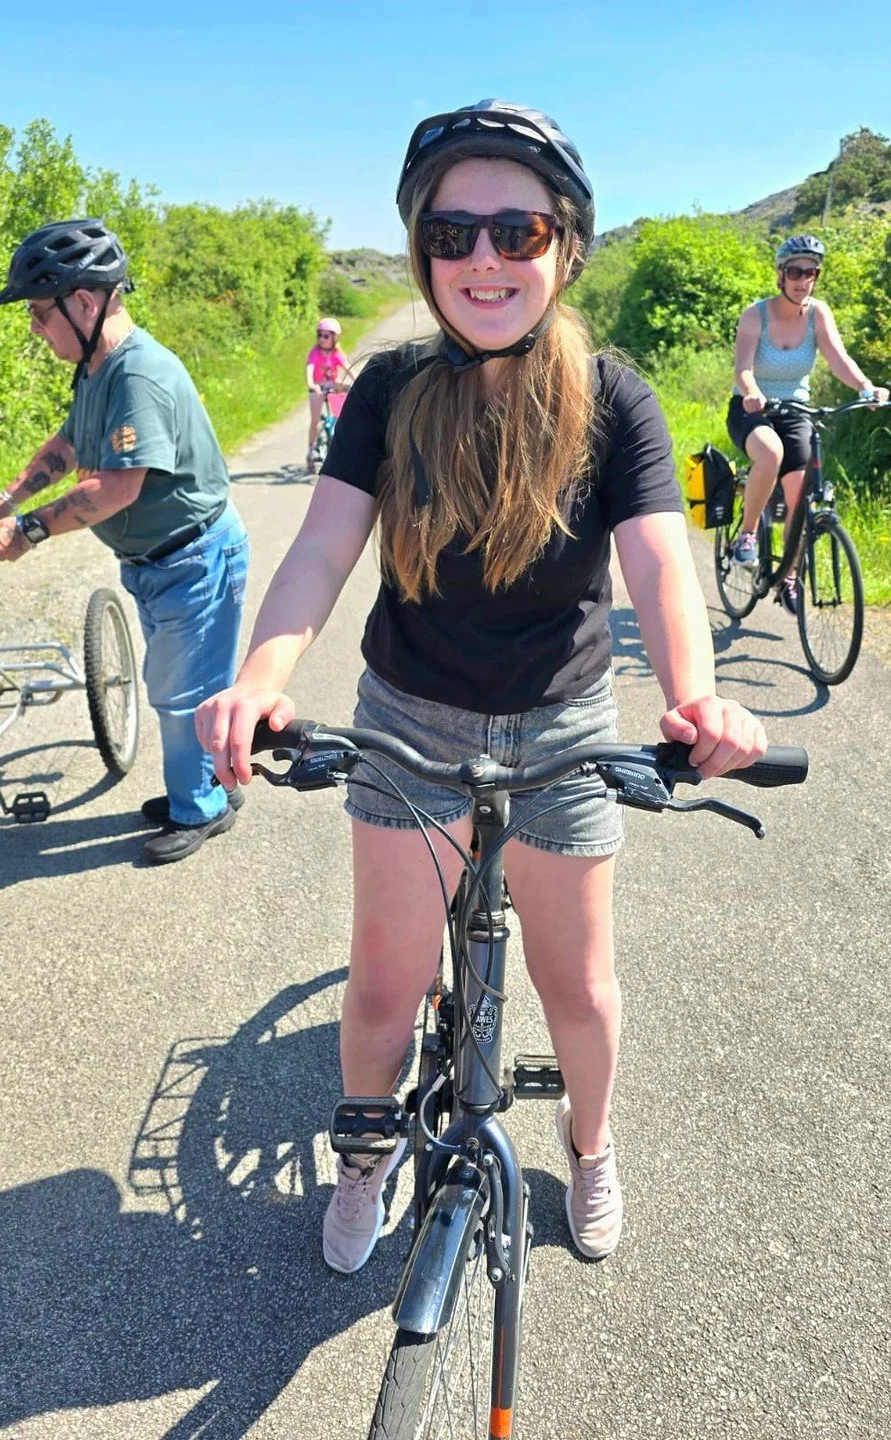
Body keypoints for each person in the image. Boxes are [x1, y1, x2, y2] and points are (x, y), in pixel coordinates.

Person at [196, 100, 768, 1273]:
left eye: (519, 230)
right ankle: (366, 1153)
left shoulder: (616, 398)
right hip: (409, 719)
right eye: (452, 236)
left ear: (566, 244)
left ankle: (593, 1143)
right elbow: (319, 551)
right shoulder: (392, 390)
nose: (485, 261)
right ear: (422, 251)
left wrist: (696, 698)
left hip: (562, 718)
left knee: (585, 993)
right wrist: (259, 680)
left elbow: (661, 560)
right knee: (383, 987)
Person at [0, 219, 249, 864]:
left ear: (83, 302)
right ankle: (208, 783)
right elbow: (69, 444)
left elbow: (117, 488)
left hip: (193, 559)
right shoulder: (98, 369)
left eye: (40, 314)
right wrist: (8, 499)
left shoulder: (139, 375)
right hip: (158, 564)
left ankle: (202, 806)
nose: (35, 330)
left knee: (182, 695)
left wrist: (29, 530)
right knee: (185, 688)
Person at [726, 234, 889, 613]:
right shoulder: (756, 315)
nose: (803, 280)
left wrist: (866, 387)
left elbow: (838, 358)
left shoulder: (819, 313)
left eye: (810, 272)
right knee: (770, 453)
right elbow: (743, 369)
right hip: (753, 409)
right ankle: (747, 536)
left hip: (796, 411)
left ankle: (789, 577)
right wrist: (751, 392)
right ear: (780, 275)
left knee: (801, 495)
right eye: (795, 271)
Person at [305, 317, 352, 472]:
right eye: (320, 335)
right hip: (318, 388)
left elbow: (348, 369)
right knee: (316, 421)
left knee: (340, 419)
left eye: (326, 336)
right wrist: (311, 384)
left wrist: (357, 382)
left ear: (334, 337)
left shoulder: (337, 354)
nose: (322, 339)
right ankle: (311, 450)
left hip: (333, 387)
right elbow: (310, 369)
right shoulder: (315, 353)